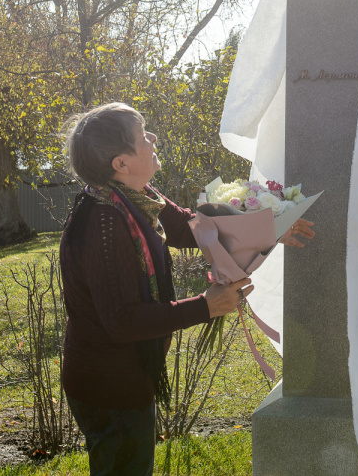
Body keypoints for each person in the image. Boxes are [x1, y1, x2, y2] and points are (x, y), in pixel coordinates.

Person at [59, 102, 313, 475]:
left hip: (126, 376)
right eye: (142, 134)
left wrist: (269, 226)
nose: (153, 137)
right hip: (109, 386)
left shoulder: (136, 197)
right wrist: (205, 306)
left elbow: (187, 229)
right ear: (121, 163)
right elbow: (122, 321)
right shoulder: (104, 221)